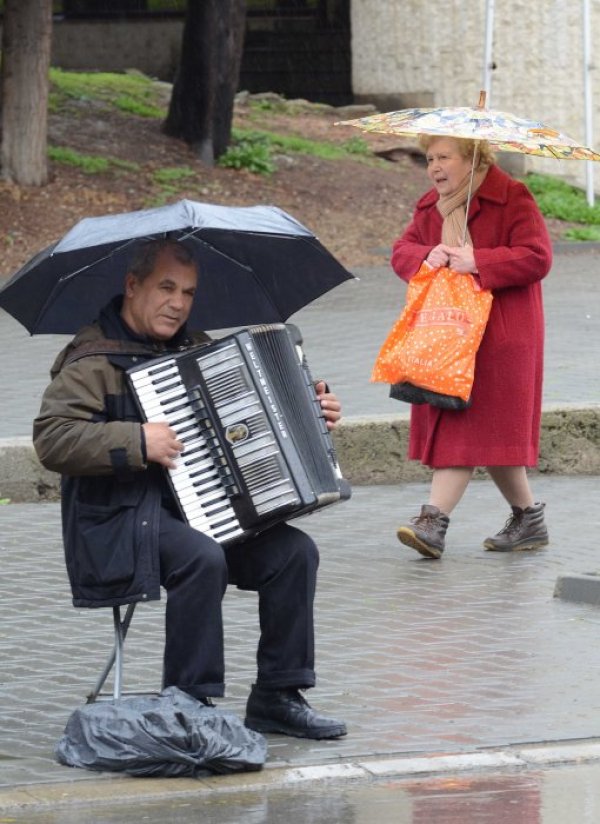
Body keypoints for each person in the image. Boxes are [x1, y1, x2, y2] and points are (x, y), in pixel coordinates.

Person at [33, 238, 347, 740]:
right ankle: (187, 703)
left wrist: (312, 411)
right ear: (132, 286)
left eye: (188, 291)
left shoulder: (199, 351)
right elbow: (53, 440)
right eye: (166, 287)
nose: (178, 302)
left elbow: (251, 427)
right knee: (202, 558)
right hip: (120, 521)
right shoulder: (90, 360)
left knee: (294, 552)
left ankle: (277, 696)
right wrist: (137, 439)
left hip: (205, 508)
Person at [392, 135, 553, 559]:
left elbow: (538, 257)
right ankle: (528, 519)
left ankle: (432, 521)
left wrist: (478, 260)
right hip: (446, 334)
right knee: (491, 433)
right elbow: (402, 251)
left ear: (474, 159)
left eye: (445, 157)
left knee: (465, 422)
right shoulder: (431, 205)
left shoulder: (513, 197)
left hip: (500, 336)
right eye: (429, 159)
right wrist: (429, 255)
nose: (435, 167)